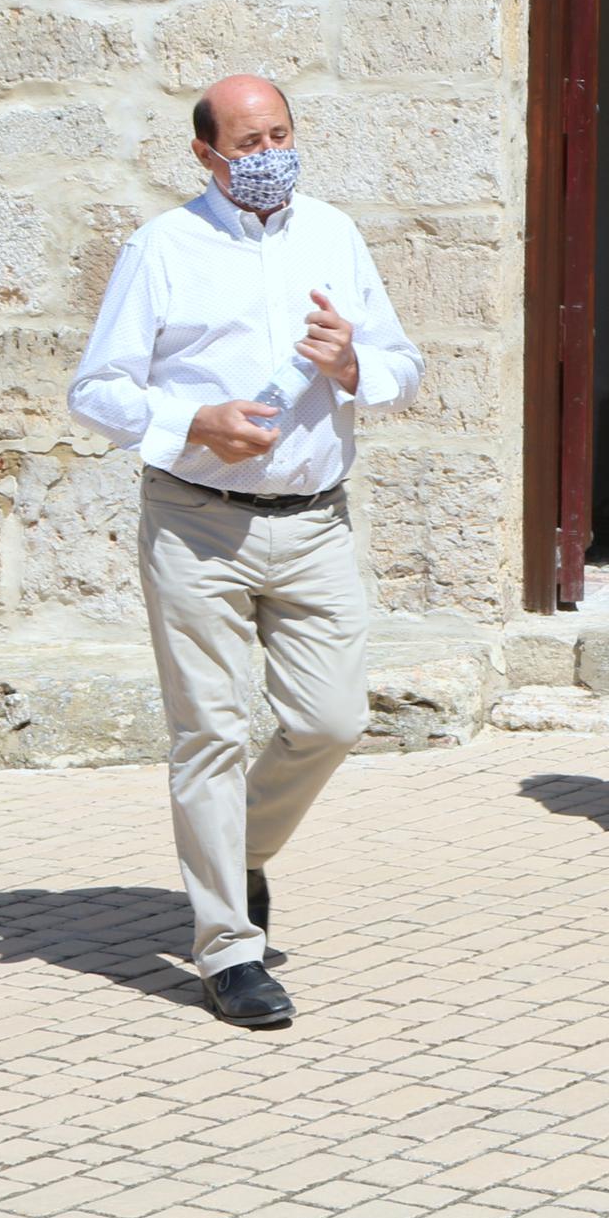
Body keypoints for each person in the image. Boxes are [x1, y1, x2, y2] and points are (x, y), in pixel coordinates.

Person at [67, 75, 424, 1026]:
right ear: (206, 157)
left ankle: (243, 850)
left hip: (316, 521)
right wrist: (195, 422)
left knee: (333, 720)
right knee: (211, 735)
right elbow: (97, 391)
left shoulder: (335, 236)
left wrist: (355, 366)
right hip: (198, 520)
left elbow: (401, 365)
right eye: (247, 141)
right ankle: (229, 948)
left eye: (281, 134)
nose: (269, 153)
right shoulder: (162, 248)